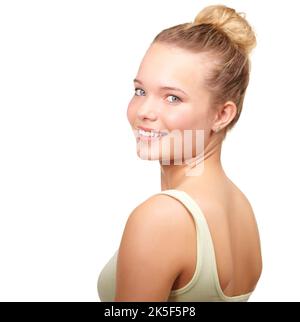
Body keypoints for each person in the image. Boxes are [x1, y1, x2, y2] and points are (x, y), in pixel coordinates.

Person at [98, 4, 262, 302]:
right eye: (140, 91)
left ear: (221, 115)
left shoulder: (163, 217)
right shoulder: (240, 208)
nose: (144, 111)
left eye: (173, 97)